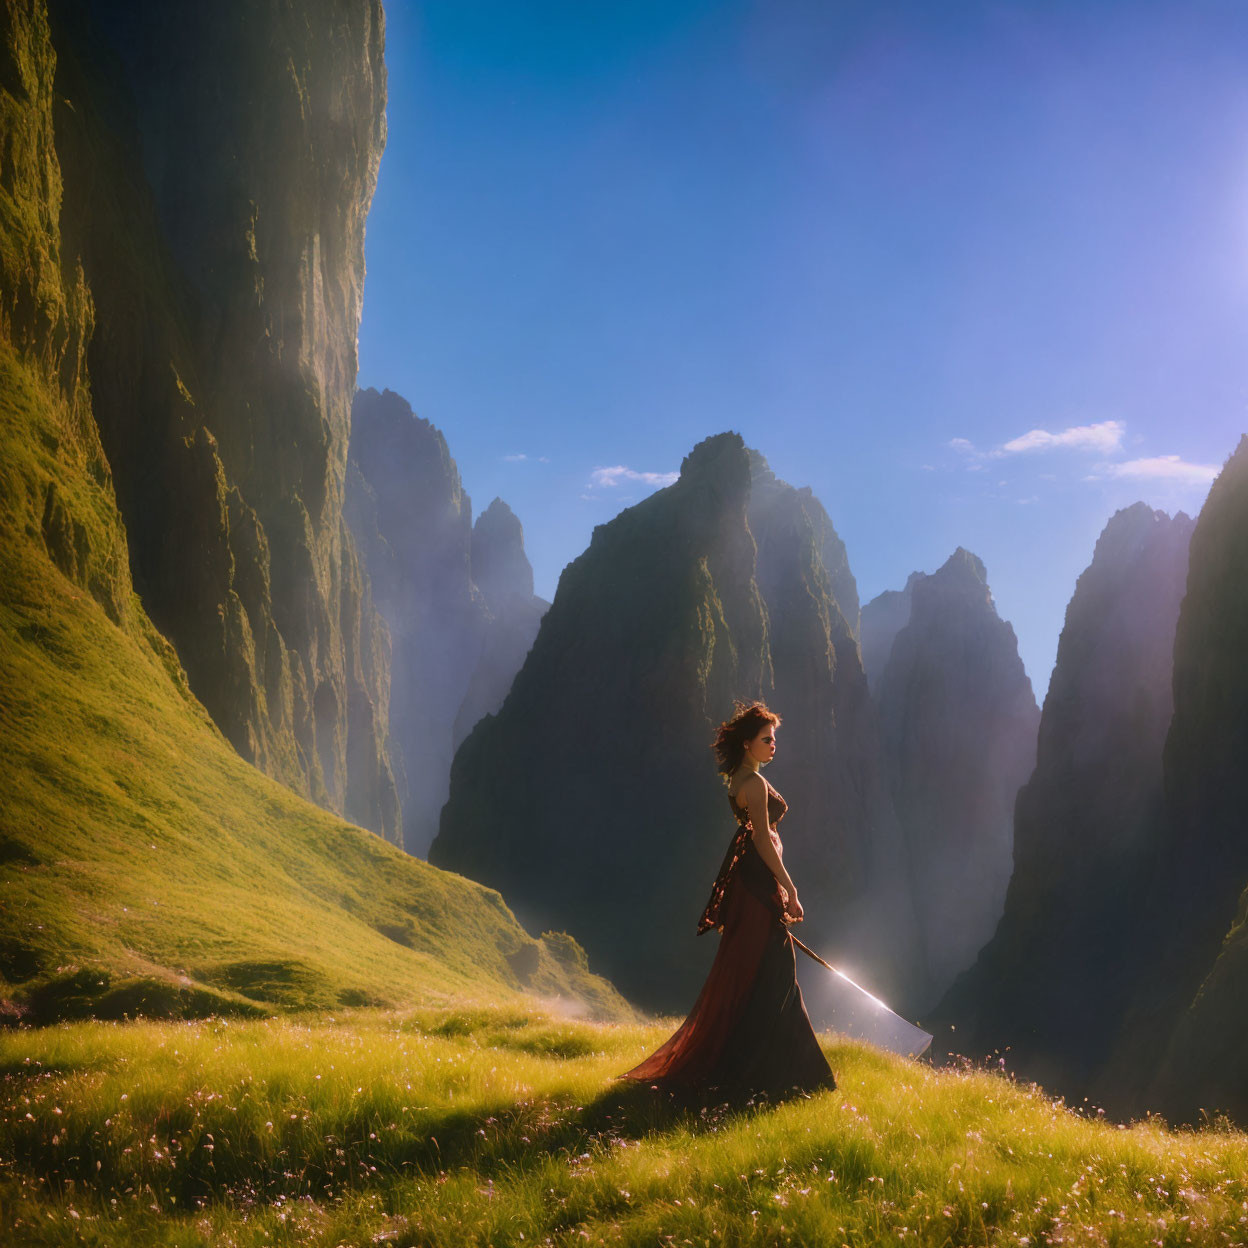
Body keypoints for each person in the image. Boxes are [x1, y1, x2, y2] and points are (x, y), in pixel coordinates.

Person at [619, 700, 836, 1099]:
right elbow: (760, 840)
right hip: (757, 885)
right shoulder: (752, 784)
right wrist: (790, 887)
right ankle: (791, 1077)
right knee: (774, 973)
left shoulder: (740, 779)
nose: (774, 746)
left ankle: (777, 1073)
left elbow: (757, 836)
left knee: (759, 974)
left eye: (774, 739)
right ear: (748, 744)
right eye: (766, 739)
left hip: (750, 884)